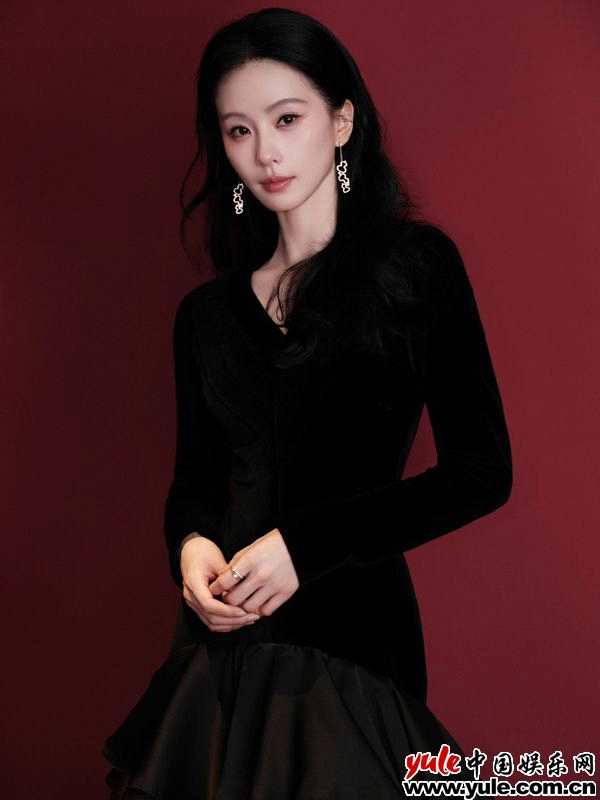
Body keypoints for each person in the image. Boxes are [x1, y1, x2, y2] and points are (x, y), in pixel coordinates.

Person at [102, 7, 513, 798]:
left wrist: (306, 547)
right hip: (222, 657)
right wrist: (190, 548)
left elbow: (482, 472)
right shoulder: (206, 317)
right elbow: (196, 483)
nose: (265, 152)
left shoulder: (416, 268)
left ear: (341, 120)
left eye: (286, 119)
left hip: (355, 646)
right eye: (239, 130)